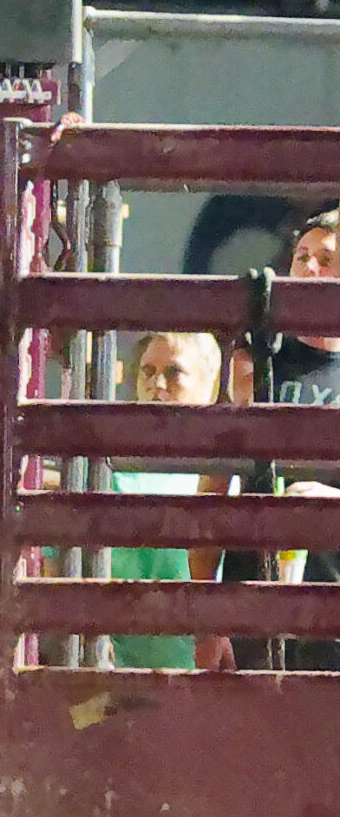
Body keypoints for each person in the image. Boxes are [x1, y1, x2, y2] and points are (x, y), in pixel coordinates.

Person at [203, 209, 340, 671]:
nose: (309, 268)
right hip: (253, 601)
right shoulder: (258, 355)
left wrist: (330, 502)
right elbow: (213, 490)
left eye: (327, 258)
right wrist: (209, 622)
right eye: (301, 257)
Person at [96, 331, 218, 672]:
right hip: (113, 678)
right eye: (147, 372)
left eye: (174, 372)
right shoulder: (109, 467)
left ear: (209, 386)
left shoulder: (228, 474)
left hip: (202, 681)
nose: (156, 384)